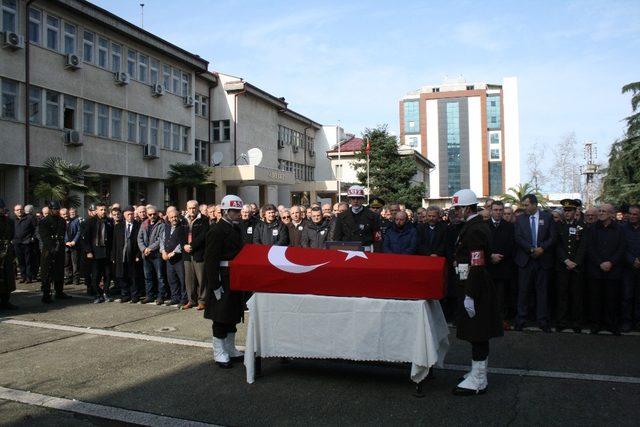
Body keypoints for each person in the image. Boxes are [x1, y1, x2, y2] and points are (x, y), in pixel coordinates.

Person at [451, 189, 502, 396]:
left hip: (476, 286)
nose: (456, 213)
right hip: (472, 283)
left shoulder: (475, 229)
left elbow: (477, 263)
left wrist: (470, 294)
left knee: (478, 333)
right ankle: (476, 371)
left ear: (466, 208)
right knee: (475, 332)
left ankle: (479, 379)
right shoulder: (472, 227)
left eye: (458, 209)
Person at [204, 195, 246, 368]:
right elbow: (211, 260)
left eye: (238, 211)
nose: (238, 214)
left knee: (233, 313)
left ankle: (230, 347)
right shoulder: (216, 230)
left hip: (234, 275)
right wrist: (215, 284)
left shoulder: (235, 228)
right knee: (220, 316)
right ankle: (219, 351)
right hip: (222, 276)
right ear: (225, 212)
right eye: (235, 211)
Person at [514, 194, 556, 332]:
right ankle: (521, 319)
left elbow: (553, 237)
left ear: (534, 204)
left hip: (543, 260)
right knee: (523, 292)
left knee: (542, 292)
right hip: (525, 260)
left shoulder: (547, 217)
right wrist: (531, 249)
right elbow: (518, 237)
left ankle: (543, 321)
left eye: (526, 205)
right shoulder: (520, 219)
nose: (524, 208)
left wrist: (542, 248)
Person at [586, 204, 626, 335]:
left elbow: (622, 248)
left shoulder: (620, 229)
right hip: (596, 270)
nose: (601, 213)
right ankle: (596, 324)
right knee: (595, 299)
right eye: (600, 211)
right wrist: (600, 263)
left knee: (612, 299)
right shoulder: (592, 229)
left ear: (611, 214)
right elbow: (590, 248)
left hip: (613, 270)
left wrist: (611, 262)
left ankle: (611, 324)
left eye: (604, 211)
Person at [554, 199, 587, 333]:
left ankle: (576, 322)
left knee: (576, 295)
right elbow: (557, 246)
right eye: (565, 211)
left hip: (576, 267)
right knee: (562, 295)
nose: (567, 213)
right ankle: (561, 321)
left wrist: (575, 262)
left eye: (570, 211)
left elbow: (583, 246)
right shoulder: (558, 226)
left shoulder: (582, 227)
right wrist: (566, 261)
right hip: (562, 266)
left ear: (575, 212)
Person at [486, 201, 516, 329]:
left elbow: (511, 245)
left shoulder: (509, 226)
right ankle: (487, 320)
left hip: (503, 267)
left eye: (500, 210)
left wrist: (500, 256)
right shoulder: (484, 225)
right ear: (491, 211)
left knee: (501, 297)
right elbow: (482, 244)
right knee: (487, 296)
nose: (498, 212)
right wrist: (490, 256)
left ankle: (500, 320)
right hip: (488, 267)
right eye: (495, 210)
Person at [39, 201, 71, 303]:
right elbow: (45, 237)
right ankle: (46, 294)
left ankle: (59, 292)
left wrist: (59, 247)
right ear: (50, 209)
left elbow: (62, 234)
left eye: (57, 209)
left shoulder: (62, 221)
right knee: (47, 272)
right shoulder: (44, 221)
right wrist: (52, 248)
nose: (56, 211)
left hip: (60, 248)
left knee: (59, 271)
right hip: (48, 250)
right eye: (54, 209)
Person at [329, 185, 380, 252]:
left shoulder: (373, 216)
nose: (355, 201)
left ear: (362, 199)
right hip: (347, 252)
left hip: (366, 252)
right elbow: (337, 238)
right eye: (353, 198)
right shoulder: (341, 216)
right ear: (349, 200)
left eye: (358, 198)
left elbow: (377, 240)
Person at [83, 203, 114, 303]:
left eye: (105, 210)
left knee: (108, 274)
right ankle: (97, 294)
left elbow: (113, 238)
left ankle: (106, 292)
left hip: (107, 253)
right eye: (101, 210)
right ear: (96, 211)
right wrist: (88, 251)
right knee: (96, 275)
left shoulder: (109, 221)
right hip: (95, 253)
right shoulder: (90, 222)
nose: (103, 211)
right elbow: (86, 238)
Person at [137, 205, 167, 304]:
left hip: (157, 255)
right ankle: (149, 295)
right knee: (148, 276)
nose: (152, 216)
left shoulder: (161, 224)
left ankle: (160, 296)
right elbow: (139, 238)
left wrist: (150, 248)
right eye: (150, 214)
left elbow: (160, 240)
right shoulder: (144, 224)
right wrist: (144, 249)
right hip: (146, 254)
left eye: (154, 214)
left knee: (160, 277)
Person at [183, 200, 209, 310]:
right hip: (187, 254)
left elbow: (203, 236)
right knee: (189, 279)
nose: (192, 210)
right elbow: (180, 234)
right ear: (187, 208)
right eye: (189, 208)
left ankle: (202, 301)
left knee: (201, 278)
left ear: (197, 208)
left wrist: (192, 245)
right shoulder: (183, 220)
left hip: (199, 253)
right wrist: (184, 245)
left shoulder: (204, 220)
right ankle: (191, 300)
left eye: (194, 208)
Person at [111, 206, 141, 303]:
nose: (130, 216)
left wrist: (138, 255)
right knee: (122, 275)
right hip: (121, 255)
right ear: (124, 215)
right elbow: (114, 242)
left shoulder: (138, 225)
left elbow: (141, 241)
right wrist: (113, 256)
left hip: (133, 255)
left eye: (132, 214)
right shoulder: (118, 226)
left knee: (134, 276)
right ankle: (125, 294)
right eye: (128, 214)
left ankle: (134, 295)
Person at [160, 207, 188, 307]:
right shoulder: (166, 226)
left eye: (175, 217)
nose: (174, 219)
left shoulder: (183, 227)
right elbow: (162, 240)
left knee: (182, 279)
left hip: (179, 258)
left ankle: (184, 299)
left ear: (179, 216)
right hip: (168, 257)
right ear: (168, 217)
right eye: (171, 217)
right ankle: (175, 297)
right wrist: (163, 251)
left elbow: (183, 241)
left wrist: (175, 252)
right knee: (171, 279)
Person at [622, 205, 640, 332]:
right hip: (627, 268)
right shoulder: (622, 229)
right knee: (627, 296)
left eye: (635, 214)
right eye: (631, 214)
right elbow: (620, 247)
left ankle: (638, 322)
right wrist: (632, 260)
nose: (632, 216)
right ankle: (626, 321)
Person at [12, 204, 37, 284]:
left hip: (27, 242)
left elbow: (36, 228)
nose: (19, 211)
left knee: (28, 261)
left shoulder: (30, 218)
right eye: (17, 210)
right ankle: (23, 277)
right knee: (20, 261)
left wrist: (32, 237)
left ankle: (29, 278)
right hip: (17, 243)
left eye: (20, 209)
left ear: (23, 210)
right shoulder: (13, 220)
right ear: (14, 212)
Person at [0, 199, 17, 310]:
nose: (1, 210)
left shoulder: (10, 221)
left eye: (2, 208)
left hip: (7, 251)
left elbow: (11, 236)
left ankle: (6, 301)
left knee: (8, 277)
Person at [64, 208, 82, 286]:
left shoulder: (76, 221)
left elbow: (79, 232)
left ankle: (76, 279)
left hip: (75, 245)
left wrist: (74, 241)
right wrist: (66, 242)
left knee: (75, 263)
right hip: (66, 246)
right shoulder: (62, 222)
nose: (69, 214)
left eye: (72, 212)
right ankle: (68, 278)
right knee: (66, 263)